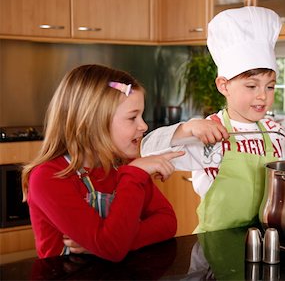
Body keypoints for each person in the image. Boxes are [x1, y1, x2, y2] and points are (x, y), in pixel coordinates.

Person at [141, 6, 285, 233]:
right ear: (223, 85)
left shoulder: (275, 132)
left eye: (270, 86)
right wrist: (187, 128)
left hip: (265, 240)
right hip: (215, 245)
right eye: (251, 86)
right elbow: (145, 150)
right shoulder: (209, 133)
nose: (262, 96)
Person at [21, 64, 184, 262]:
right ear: (93, 122)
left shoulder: (126, 165)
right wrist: (133, 175)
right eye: (132, 117)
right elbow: (111, 247)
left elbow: (167, 222)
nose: (144, 125)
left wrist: (114, 242)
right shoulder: (48, 178)